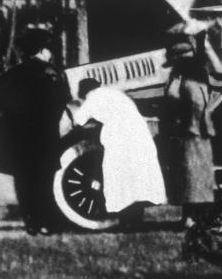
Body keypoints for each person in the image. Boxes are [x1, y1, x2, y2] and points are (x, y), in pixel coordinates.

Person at [0, 24, 70, 235]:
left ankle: (31, 222)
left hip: (17, 142)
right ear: (43, 50)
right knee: (44, 181)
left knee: (23, 182)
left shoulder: (9, 76)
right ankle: (46, 222)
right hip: (43, 138)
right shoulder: (51, 74)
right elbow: (61, 102)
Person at [70, 78, 167, 221]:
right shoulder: (116, 94)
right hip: (139, 134)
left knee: (120, 177)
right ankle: (137, 218)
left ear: (84, 92)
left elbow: (77, 120)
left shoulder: (92, 98)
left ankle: (125, 218)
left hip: (120, 138)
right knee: (138, 178)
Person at [162, 33, 218, 216]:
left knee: (192, 177)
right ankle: (193, 216)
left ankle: (193, 217)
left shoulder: (187, 81)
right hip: (197, 132)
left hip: (190, 132)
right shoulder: (196, 77)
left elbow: (191, 104)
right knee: (194, 177)